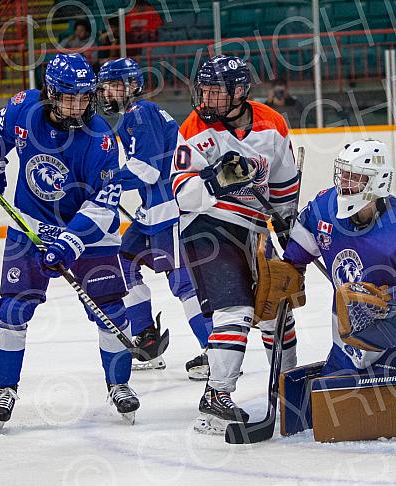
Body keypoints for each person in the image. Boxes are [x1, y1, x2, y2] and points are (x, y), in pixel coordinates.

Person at [0, 53, 138, 431]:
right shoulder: (22, 108)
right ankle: (5, 389)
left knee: (109, 309)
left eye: (83, 97)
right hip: (31, 226)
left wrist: (69, 243)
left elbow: (103, 206)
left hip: (89, 234)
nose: (77, 107)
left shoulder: (102, 141)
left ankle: (119, 384)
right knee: (12, 309)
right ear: (49, 93)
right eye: (68, 98)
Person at [171, 54, 301, 433]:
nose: (206, 99)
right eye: (205, 91)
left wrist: (288, 227)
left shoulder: (272, 124)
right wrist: (215, 180)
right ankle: (216, 397)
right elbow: (181, 193)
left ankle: (288, 387)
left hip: (255, 230)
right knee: (237, 308)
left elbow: (283, 185)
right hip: (207, 226)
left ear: (240, 91)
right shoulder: (194, 128)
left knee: (277, 308)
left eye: (216, 92)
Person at [282, 139, 396, 376]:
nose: (344, 183)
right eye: (343, 174)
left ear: (378, 182)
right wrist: (288, 270)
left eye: (355, 177)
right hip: (347, 341)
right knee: (330, 402)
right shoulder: (324, 206)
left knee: (386, 408)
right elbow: (301, 244)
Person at [97, 57, 213, 378]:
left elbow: (145, 170)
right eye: (105, 85)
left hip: (173, 208)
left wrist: (104, 181)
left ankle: (214, 349)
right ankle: (147, 339)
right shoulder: (139, 114)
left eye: (112, 84)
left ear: (130, 86)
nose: (106, 91)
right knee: (124, 261)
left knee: (182, 282)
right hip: (155, 209)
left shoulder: (138, 113)